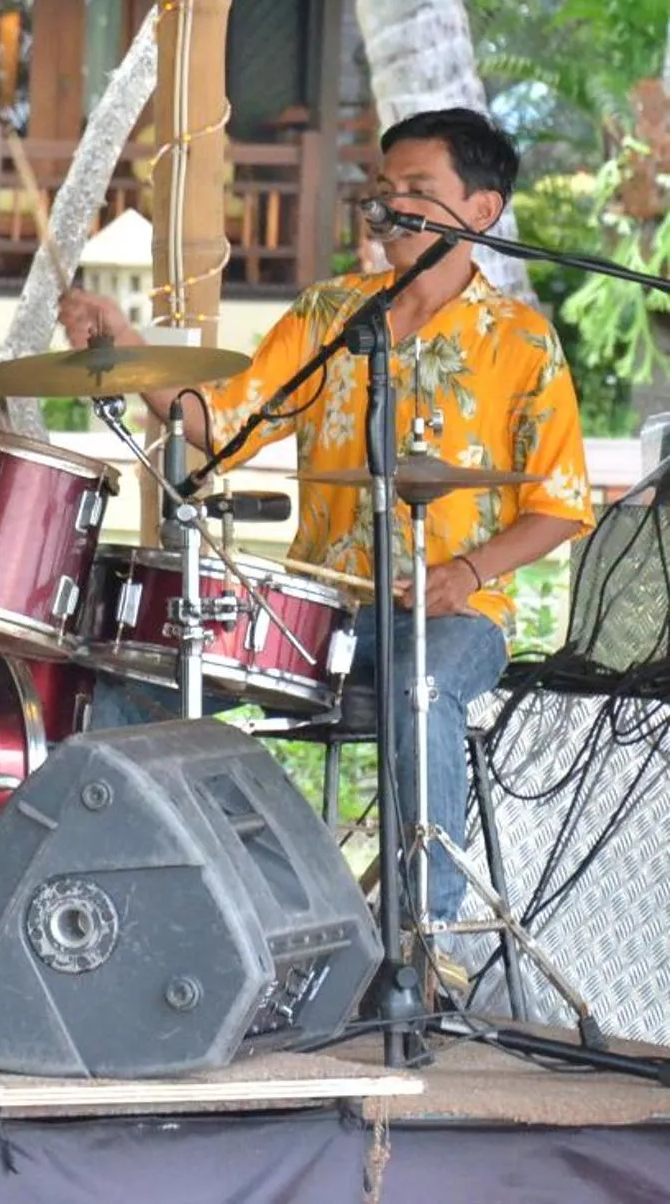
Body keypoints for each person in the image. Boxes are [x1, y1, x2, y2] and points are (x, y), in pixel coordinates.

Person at [58, 107, 591, 930]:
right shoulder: (329, 314)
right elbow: (220, 423)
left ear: (482, 212)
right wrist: (127, 347)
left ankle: (425, 936)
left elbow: (560, 504)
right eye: (384, 189)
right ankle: (145, 908)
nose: (390, 205)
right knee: (135, 685)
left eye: (418, 189)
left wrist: (465, 573)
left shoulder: (521, 341)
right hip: (316, 610)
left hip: (453, 616)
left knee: (418, 684)